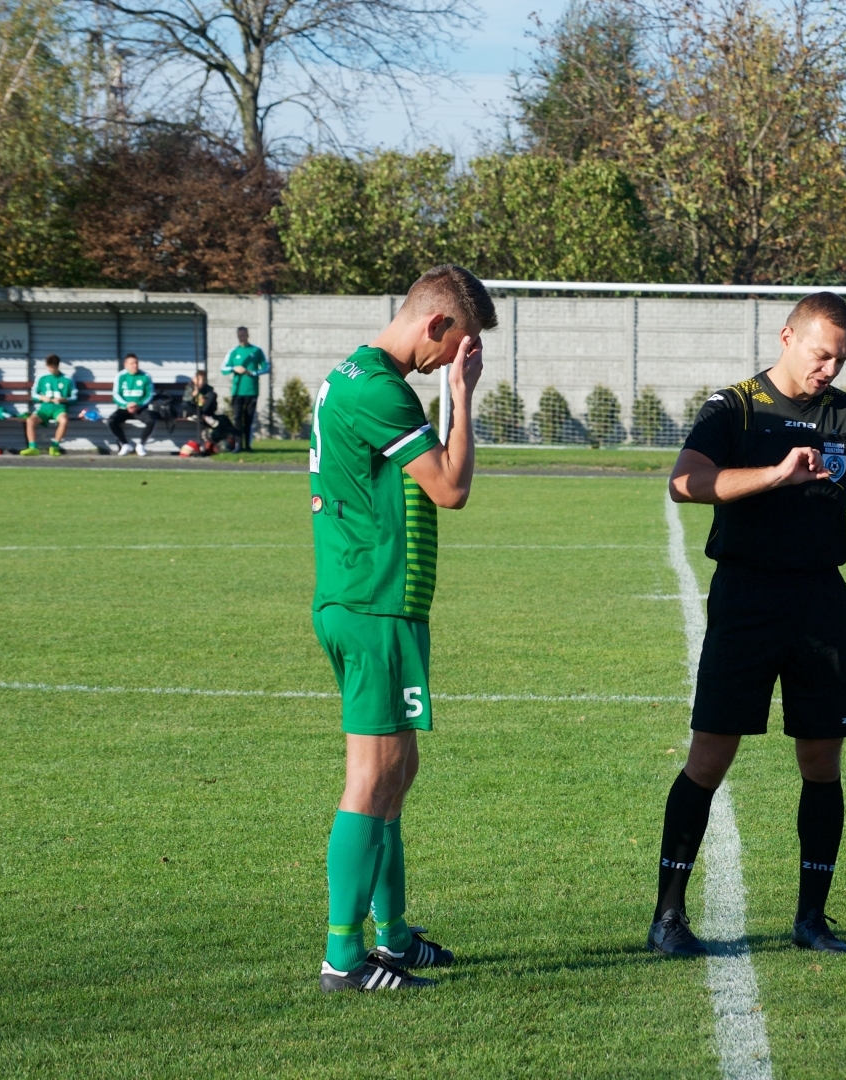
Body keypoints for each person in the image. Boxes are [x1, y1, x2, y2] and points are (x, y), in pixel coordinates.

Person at [647, 291, 846, 958]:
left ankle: (811, 918)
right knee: (709, 757)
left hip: (820, 604)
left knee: (821, 760)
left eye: (842, 360)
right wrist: (774, 475)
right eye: (823, 355)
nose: (831, 369)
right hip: (746, 599)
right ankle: (667, 916)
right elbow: (685, 482)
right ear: (787, 337)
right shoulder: (733, 406)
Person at [312, 265, 496, 994]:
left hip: (378, 602)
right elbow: (450, 488)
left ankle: (390, 938)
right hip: (371, 602)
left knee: (398, 770)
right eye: (458, 346)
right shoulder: (379, 389)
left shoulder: (356, 377)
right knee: (372, 777)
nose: (456, 358)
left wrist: (450, 388)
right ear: (434, 325)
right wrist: (461, 397)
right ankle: (343, 957)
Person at [223, 326, 270, 452]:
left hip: (252, 390)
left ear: (247, 335)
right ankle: (238, 445)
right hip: (237, 391)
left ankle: (247, 445)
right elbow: (224, 369)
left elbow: (267, 367)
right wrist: (234, 368)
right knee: (237, 417)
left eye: (243, 335)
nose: (241, 338)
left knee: (248, 418)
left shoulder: (256, 351)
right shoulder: (233, 352)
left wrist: (252, 373)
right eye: (239, 336)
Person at [21, 354, 74, 456]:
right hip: (44, 408)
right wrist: (42, 398)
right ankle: (33, 447)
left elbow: (74, 397)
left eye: (53, 367)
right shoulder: (41, 378)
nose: (51, 369)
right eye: (49, 367)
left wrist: (64, 399)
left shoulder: (67, 379)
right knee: (30, 420)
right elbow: (33, 394)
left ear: (58, 366)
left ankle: (54, 446)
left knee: (64, 420)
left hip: (59, 408)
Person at [107, 354, 156, 456]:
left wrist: (138, 404)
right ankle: (125, 444)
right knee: (111, 421)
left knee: (151, 420)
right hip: (124, 408)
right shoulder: (120, 376)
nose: (135, 365)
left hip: (140, 408)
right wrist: (126, 405)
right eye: (132, 363)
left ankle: (141, 445)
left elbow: (149, 394)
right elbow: (116, 395)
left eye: (136, 363)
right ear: (126, 365)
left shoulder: (145, 376)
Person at [180, 370, 232, 456]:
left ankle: (202, 415)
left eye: (203, 380)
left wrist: (206, 401)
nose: (201, 382)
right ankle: (203, 416)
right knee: (184, 404)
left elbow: (213, 405)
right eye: (199, 379)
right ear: (194, 379)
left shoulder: (209, 389)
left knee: (213, 395)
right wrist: (193, 395)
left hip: (205, 410)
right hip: (193, 411)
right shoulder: (189, 387)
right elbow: (186, 400)